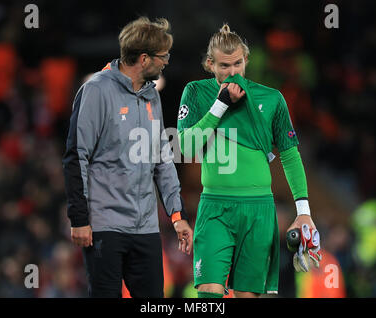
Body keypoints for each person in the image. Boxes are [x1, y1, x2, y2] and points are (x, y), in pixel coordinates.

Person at [177, 24, 320, 298]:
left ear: (246, 60)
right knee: (209, 291)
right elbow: (185, 147)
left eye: (238, 64)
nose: (232, 73)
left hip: (258, 211)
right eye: (224, 66)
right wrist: (219, 105)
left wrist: (304, 211)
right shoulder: (195, 92)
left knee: (247, 295)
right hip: (215, 208)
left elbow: (290, 156)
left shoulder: (272, 98)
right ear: (210, 64)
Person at [62, 17, 193, 298]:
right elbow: (76, 157)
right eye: (163, 56)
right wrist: (79, 218)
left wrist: (177, 215)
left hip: (145, 227)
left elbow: (163, 160)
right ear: (144, 59)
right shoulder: (96, 90)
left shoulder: (151, 97)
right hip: (104, 225)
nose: (166, 62)